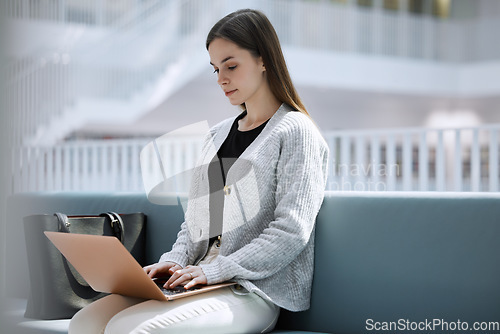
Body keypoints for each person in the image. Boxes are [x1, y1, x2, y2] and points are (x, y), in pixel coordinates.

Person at [69, 8, 329, 334]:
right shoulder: (216, 135)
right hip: (199, 280)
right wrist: (176, 261)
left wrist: (216, 270)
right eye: (216, 68)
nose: (221, 78)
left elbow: (291, 231)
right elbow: (194, 223)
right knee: (85, 323)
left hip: (251, 289)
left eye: (231, 66)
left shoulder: (296, 131)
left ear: (264, 60)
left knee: (130, 330)